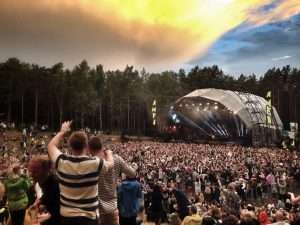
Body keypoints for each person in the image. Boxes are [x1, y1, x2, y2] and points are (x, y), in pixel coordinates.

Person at [47, 121, 114, 225]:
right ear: (86, 146)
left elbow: (51, 145)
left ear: (70, 146)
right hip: (88, 218)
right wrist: (109, 153)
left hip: (66, 218)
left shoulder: (61, 161)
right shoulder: (95, 163)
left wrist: (62, 132)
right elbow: (110, 164)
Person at [88, 135, 136, 225]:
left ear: (89, 149)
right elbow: (132, 173)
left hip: (96, 210)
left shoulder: (90, 163)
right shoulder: (117, 159)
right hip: (112, 209)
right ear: (102, 147)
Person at [28, 155, 60, 225]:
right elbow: (47, 195)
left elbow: (60, 207)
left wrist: (48, 217)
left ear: (46, 170)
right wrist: (38, 202)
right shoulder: (43, 181)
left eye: (35, 172)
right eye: (31, 171)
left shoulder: (55, 184)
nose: (32, 175)